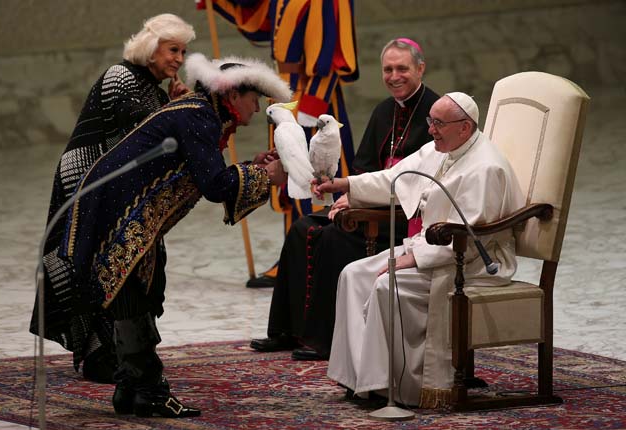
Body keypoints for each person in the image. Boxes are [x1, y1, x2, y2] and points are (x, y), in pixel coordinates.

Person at [33, 52, 292, 418]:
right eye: (255, 99)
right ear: (233, 96)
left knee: (136, 290)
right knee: (133, 292)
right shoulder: (199, 116)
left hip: (116, 206)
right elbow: (216, 184)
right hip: (115, 209)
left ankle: (132, 390)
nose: (256, 108)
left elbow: (205, 174)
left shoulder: (198, 111)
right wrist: (268, 177)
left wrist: (252, 169)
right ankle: (149, 391)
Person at [315, 93, 525, 408]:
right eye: (430, 121)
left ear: (464, 128)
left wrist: (410, 259)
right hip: (431, 250)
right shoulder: (440, 149)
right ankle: (362, 380)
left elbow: (469, 236)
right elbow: (395, 178)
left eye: (438, 123)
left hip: (470, 264)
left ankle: (397, 387)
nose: (430, 130)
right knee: (354, 274)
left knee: (387, 283)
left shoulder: (486, 168)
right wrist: (346, 185)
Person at [30, 13, 196, 384]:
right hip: (86, 181)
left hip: (115, 187)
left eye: (184, 52)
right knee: (92, 262)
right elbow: (143, 126)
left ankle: (119, 349)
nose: (180, 59)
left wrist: (172, 105)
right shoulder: (121, 76)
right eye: (173, 50)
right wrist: (177, 110)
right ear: (152, 49)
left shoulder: (152, 86)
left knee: (117, 262)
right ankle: (99, 354)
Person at [250, 38, 439, 360]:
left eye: (402, 68)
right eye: (388, 69)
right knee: (302, 228)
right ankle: (287, 330)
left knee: (332, 239)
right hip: (369, 203)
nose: (394, 76)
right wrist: (348, 197)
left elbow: (424, 180)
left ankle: (325, 340)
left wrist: (358, 200)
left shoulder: (434, 112)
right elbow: (364, 166)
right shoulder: (384, 111)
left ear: (420, 68)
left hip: (402, 218)